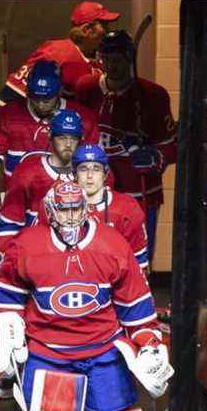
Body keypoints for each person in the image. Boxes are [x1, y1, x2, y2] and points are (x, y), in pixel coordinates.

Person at [0, 181, 173, 411]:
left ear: (85, 208)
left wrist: (148, 343)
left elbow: (135, 304)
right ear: (50, 210)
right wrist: (9, 344)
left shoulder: (112, 244)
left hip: (102, 348)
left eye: (76, 208)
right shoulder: (26, 246)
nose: (70, 216)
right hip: (49, 351)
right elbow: (7, 301)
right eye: (64, 209)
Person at [75, 30, 177, 263]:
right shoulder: (86, 89)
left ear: (129, 58)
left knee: (137, 261)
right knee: (94, 257)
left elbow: (170, 146)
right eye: (107, 59)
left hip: (139, 195)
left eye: (118, 59)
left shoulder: (153, 95)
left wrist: (155, 157)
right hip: (93, 193)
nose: (112, 65)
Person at [0, 60, 99, 186]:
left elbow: (98, 171)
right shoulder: (9, 115)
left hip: (68, 206)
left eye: (46, 100)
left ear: (59, 91)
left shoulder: (84, 118)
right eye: (35, 98)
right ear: (26, 92)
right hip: (17, 205)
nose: (40, 105)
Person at [0, 109, 82, 265]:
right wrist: (8, 259)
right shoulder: (28, 173)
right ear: (50, 137)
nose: (68, 144)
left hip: (79, 259)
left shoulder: (89, 176)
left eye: (73, 139)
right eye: (62, 138)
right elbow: (9, 221)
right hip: (36, 258)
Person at [0, 1, 121, 105]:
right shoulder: (58, 54)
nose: (108, 31)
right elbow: (10, 95)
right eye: (104, 25)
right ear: (87, 30)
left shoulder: (95, 58)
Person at [73, 144, 149, 269]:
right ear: (74, 174)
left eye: (96, 169)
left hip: (114, 283)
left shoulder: (127, 207)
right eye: (83, 169)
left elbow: (138, 262)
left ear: (106, 173)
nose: (90, 175)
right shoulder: (62, 205)